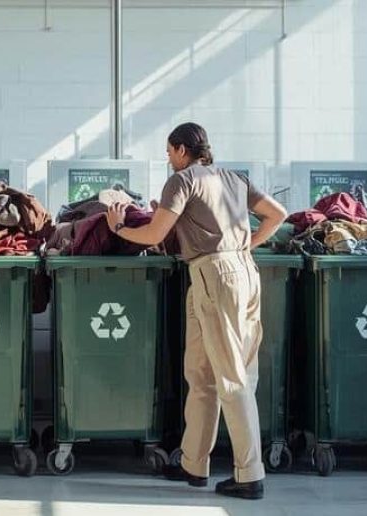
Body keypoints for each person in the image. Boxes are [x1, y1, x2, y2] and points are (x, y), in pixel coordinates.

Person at [104, 123, 286, 500]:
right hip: (241, 272)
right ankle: (193, 463)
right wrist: (245, 246)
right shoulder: (234, 178)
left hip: (214, 276)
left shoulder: (182, 180)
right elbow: (277, 214)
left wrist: (118, 226)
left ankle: (250, 475)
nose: (168, 158)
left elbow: (154, 235)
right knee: (201, 374)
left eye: (169, 152)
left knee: (232, 378)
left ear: (182, 151)